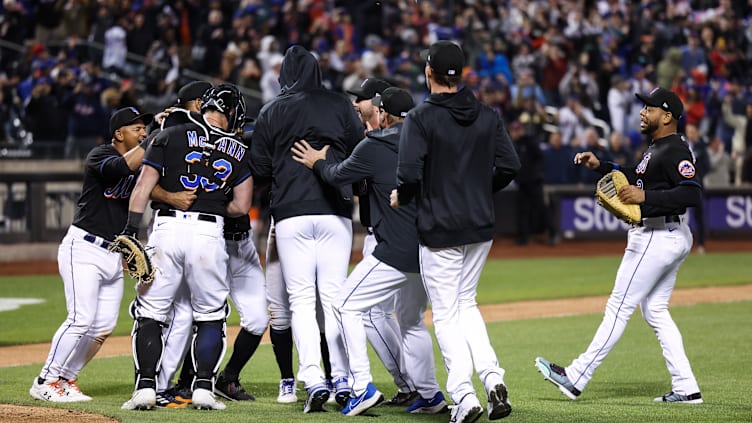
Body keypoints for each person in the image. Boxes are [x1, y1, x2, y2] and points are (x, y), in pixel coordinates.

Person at [535, 87, 704, 404]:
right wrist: (602, 165)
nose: (642, 112)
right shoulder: (659, 148)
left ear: (666, 116)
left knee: (618, 307)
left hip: (657, 235)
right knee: (654, 310)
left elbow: (692, 194)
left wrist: (646, 198)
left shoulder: (675, 151)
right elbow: (636, 177)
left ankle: (575, 376)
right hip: (668, 234)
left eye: (649, 108)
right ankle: (687, 387)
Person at [291, 87, 448, 416]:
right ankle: (431, 395)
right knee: (411, 320)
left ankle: (362, 386)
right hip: (428, 249)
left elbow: (337, 175)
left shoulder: (376, 145)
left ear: (384, 114)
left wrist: (318, 162)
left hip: (395, 249)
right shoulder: (431, 143)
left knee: (346, 305)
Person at [392, 41, 520, 422]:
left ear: (428, 72)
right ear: (460, 73)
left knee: (447, 313)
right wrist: (480, 191)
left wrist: (406, 196)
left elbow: (409, 174)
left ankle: (464, 395)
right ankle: (493, 377)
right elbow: (510, 166)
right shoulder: (487, 114)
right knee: (467, 304)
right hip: (479, 227)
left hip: (440, 228)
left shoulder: (420, 117)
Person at [121, 84, 253, 411]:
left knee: (151, 312)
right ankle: (204, 388)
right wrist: (212, 205)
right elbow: (241, 205)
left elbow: (142, 188)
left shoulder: (170, 134)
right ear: (232, 113)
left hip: (166, 229)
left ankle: (146, 388)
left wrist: (130, 232)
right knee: (210, 315)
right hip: (209, 232)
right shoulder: (238, 148)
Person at [250, 45, 362, 413]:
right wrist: (328, 158)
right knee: (333, 298)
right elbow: (357, 154)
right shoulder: (341, 104)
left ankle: (312, 378)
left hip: (291, 214)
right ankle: (342, 379)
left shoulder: (272, 110)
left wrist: (288, 167)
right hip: (334, 210)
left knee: (299, 300)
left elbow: (261, 170)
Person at [30, 107, 152, 403]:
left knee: (102, 327)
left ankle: (66, 378)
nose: (143, 132)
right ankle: (45, 380)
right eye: (136, 128)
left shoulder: (142, 162)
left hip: (112, 254)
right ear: (119, 134)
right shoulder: (100, 155)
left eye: (145, 127)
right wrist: (155, 140)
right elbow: (120, 169)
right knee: (80, 319)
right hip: (82, 249)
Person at [347, 76, 419, 405]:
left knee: (371, 314)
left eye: (360, 99)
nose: (354, 104)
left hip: (390, 238)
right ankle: (419, 389)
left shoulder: (384, 141)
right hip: (392, 235)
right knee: (404, 318)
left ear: (379, 106)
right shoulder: (375, 137)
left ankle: (409, 385)